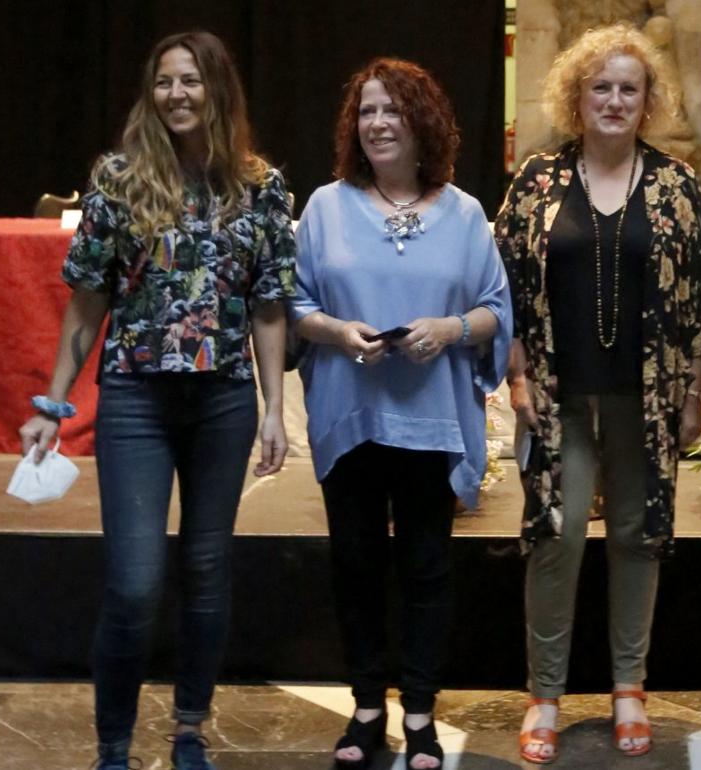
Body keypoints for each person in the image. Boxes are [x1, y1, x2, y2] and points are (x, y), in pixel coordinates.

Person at [16, 31, 295, 770]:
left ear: (218, 90)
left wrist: (274, 408)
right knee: (135, 583)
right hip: (136, 397)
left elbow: (269, 305)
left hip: (225, 400)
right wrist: (51, 406)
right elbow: (85, 305)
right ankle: (113, 744)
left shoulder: (260, 187)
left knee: (207, 572)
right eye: (165, 82)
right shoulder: (117, 179)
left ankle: (190, 732)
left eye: (191, 81)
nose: (177, 94)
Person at [493, 23, 701, 765]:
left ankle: (629, 687)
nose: (614, 101)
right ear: (576, 97)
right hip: (558, 398)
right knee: (555, 539)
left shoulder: (680, 187)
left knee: (636, 538)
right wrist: (518, 372)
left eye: (629, 88)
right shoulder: (535, 181)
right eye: (601, 88)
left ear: (647, 100)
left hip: (645, 402)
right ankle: (545, 696)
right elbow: (503, 286)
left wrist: (693, 393)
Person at [288, 57, 512, 770]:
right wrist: (334, 332)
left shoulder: (467, 212)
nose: (378, 123)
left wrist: (450, 331)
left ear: (425, 124)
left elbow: (496, 311)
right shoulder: (323, 207)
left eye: (393, 110)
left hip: (429, 420)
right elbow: (289, 304)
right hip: (350, 413)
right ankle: (363, 709)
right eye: (366, 111)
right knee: (354, 565)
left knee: (425, 568)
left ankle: (418, 715)